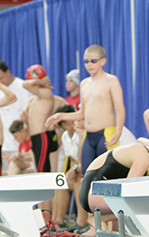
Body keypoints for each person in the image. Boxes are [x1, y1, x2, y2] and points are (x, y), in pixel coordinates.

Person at [45, 44, 125, 175]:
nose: (89, 64)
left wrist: (119, 131)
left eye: (93, 61)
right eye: (86, 61)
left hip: (106, 133)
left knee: (106, 175)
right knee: (87, 175)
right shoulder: (84, 84)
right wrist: (61, 116)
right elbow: (82, 114)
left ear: (103, 61)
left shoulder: (111, 80)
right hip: (88, 135)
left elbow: (120, 108)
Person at [80, 129, 149, 222]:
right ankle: (100, 219)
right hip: (92, 193)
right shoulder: (143, 157)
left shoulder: (144, 150)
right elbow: (129, 193)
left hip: (92, 190)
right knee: (145, 202)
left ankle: (102, 220)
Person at [0, 60, 31, 160]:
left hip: (20, 143)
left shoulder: (22, 86)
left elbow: (28, 115)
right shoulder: (1, 91)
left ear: (8, 72)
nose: (0, 82)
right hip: (5, 144)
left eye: (1, 78)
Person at [22, 65, 58, 174]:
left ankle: (46, 191)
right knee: (39, 169)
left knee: (43, 171)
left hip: (42, 135)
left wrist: (41, 81)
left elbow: (25, 84)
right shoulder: (35, 97)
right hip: (37, 137)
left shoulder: (46, 93)